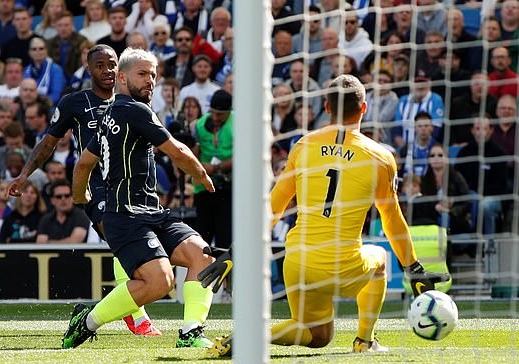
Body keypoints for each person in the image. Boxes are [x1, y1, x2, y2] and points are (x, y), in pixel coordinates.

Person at [208, 74, 450, 357]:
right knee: (380, 259)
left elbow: (274, 207)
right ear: (364, 108)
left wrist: (238, 249)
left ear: (326, 107)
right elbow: (391, 218)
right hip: (342, 262)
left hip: (298, 260)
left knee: (318, 335)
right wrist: (413, 268)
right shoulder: (380, 157)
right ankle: (365, 341)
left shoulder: (303, 146)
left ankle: (252, 337)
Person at [63, 47, 216, 349]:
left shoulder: (109, 115)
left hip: (151, 210)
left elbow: (84, 162)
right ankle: (88, 319)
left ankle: (191, 332)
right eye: (143, 74)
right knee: (160, 282)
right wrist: (201, 175)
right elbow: (178, 151)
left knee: (203, 256)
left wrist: (81, 196)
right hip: (125, 215)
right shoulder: (135, 110)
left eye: (154, 75)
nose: (151, 81)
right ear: (122, 77)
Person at [8, 45, 161, 337]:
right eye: (100, 65)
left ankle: (130, 307)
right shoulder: (74, 103)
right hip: (96, 187)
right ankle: (136, 316)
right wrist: (25, 174)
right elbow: (48, 143)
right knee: (118, 242)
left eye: (112, 64)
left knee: (128, 246)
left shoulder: (133, 101)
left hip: (131, 187)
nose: (107, 71)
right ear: (88, 69)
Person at [193, 89, 233, 250]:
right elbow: (194, 153)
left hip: (230, 186)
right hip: (204, 187)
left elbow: (244, 155)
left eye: (220, 115)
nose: (215, 118)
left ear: (229, 112)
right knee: (202, 239)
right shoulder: (200, 124)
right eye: (213, 113)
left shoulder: (239, 123)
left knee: (225, 237)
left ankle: (227, 274)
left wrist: (216, 168)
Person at [36, 179, 90, 243]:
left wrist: (49, 243)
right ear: (52, 200)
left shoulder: (81, 216)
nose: (63, 199)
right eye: (59, 197)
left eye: (67, 196)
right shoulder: (46, 219)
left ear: (72, 198)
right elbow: (40, 243)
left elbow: (74, 242)